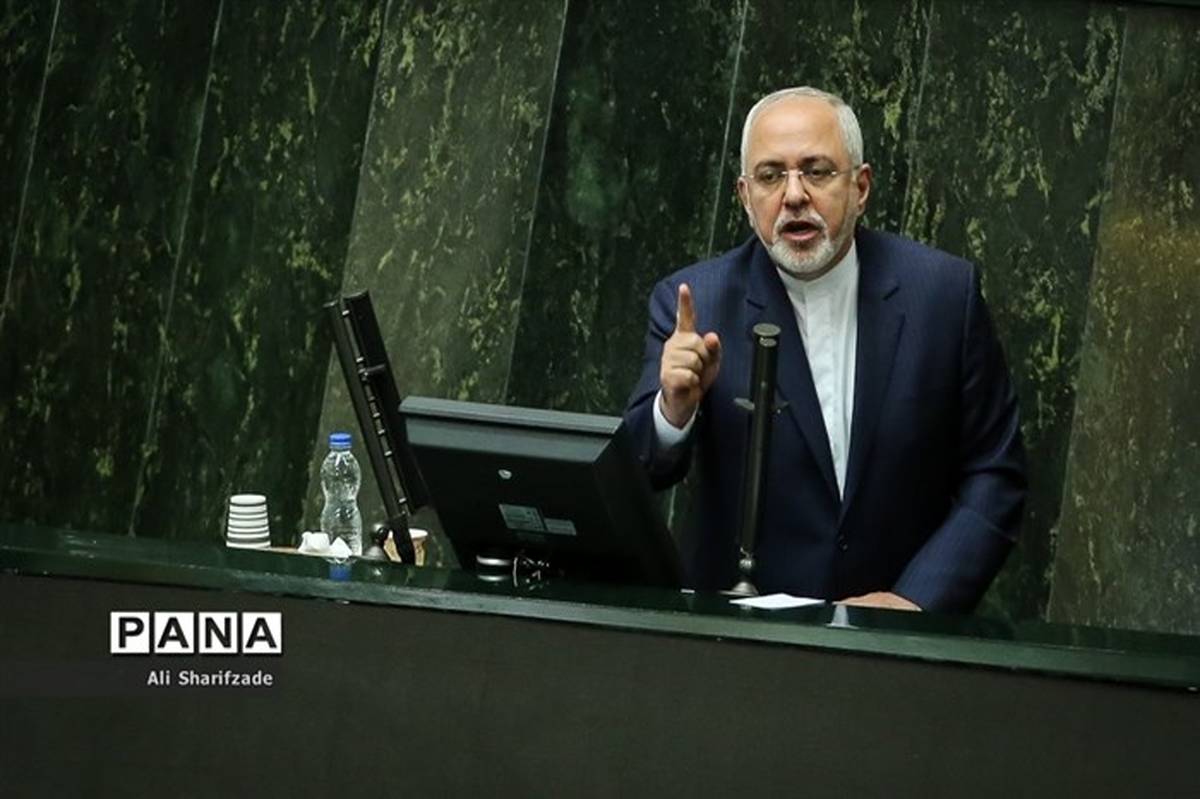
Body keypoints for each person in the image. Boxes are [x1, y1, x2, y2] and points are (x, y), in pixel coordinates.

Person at [623, 87, 1026, 612]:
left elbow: (995, 472)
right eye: (770, 176)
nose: (793, 195)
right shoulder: (697, 303)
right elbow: (638, 471)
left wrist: (915, 602)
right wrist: (672, 411)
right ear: (745, 196)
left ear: (861, 187)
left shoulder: (943, 296)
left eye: (816, 172)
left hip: (896, 639)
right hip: (740, 637)